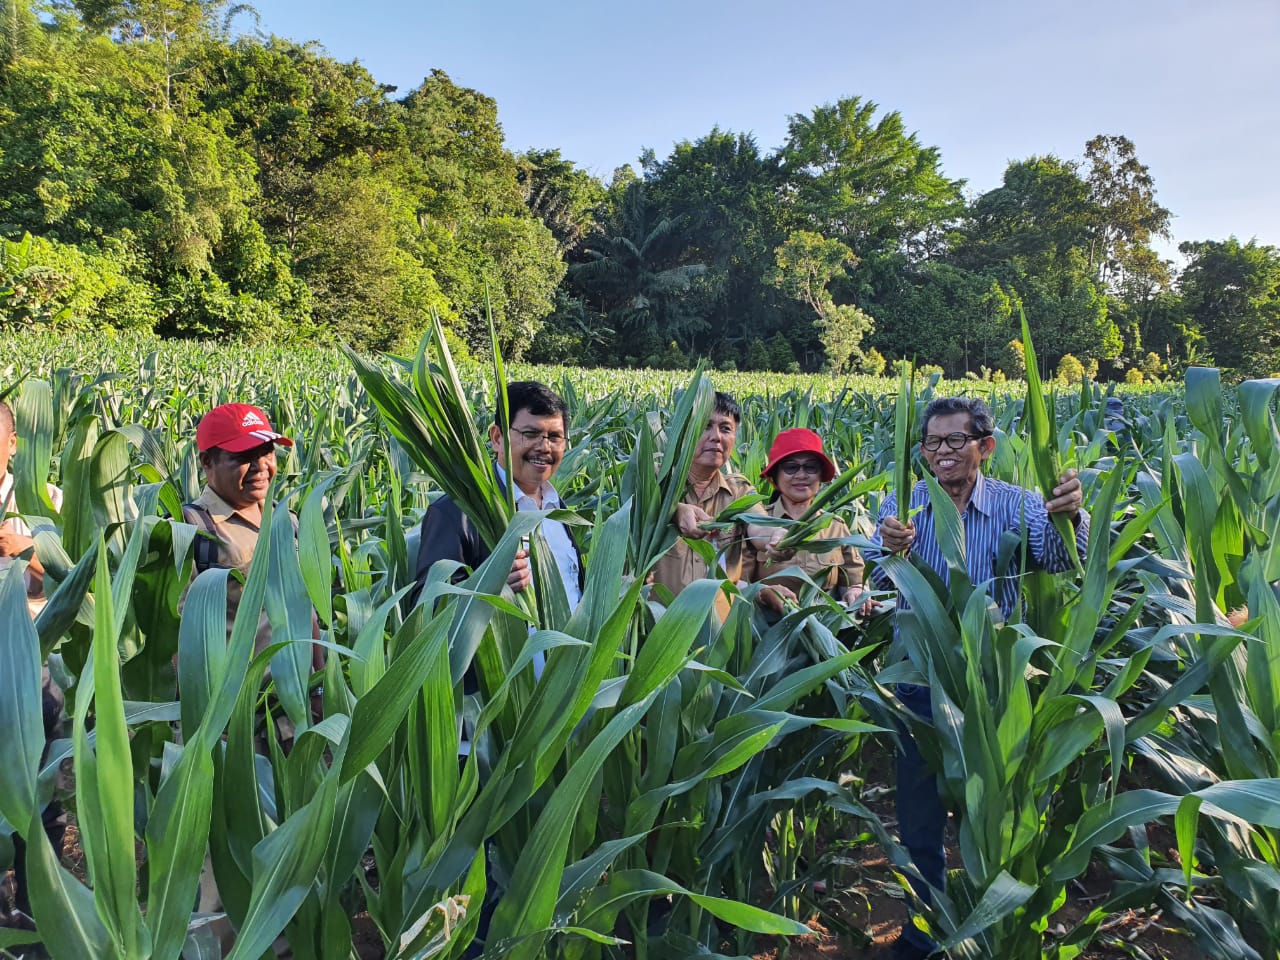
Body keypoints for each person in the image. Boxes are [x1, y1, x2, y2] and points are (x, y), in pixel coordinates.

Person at [870, 396, 1089, 960]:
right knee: (919, 820)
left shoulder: (1019, 504)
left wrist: (1069, 516)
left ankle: (990, 930)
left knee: (987, 815)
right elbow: (876, 574)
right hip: (920, 684)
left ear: (984, 446)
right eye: (932, 442)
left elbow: (1059, 559)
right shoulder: (904, 504)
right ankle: (924, 933)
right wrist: (887, 551)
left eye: (955, 440)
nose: (942, 452)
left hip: (993, 688)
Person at [412, 380, 584, 612]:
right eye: (530, 434)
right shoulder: (457, 514)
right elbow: (424, 610)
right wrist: (488, 588)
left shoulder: (558, 509)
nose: (545, 447)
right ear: (497, 438)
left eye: (554, 437)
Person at [0, 400, 65, 928]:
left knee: (39, 803)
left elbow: (81, 581)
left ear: (13, 443)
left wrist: (28, 550)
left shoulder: (45, 505)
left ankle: (40, 914)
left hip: (32, 676)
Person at [183, 402, 297, 654]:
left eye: (267, 453)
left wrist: (319, 675)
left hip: (297, 676)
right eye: (244, 456)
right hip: (240, 679)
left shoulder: (284, 519)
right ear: (207, 462)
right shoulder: (189, 531)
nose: (261, 466)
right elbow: (176, 636)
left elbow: (303, 607)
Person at [653, 391, 766, 619]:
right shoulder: (656, 480)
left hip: (719, 633)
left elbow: (760, 526)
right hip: (659, 629)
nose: (716, 437)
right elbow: (637, 505)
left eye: (725, 428)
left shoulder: (739, 491)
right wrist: (675, 511)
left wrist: (777, 538)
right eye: (705, 426)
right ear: (685, 432)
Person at [751, 427, 871, 614]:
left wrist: (856, 592)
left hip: (825, 626)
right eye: (791, 467)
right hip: (767, 626)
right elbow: (736, 584)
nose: (801, 475)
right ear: (775, 476)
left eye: (810, 467)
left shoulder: (836, 527)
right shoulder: (757, 524)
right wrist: (764, 593)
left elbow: (855, 582)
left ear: (820, 476)